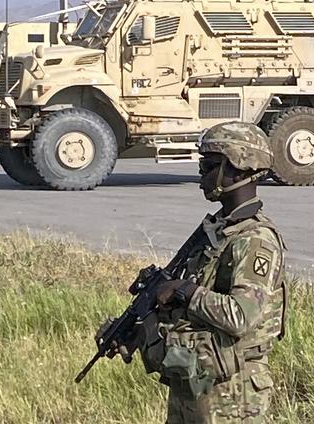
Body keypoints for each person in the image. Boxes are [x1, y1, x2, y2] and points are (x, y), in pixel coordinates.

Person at [112, 122, 287, 423]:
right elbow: (191, 317)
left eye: (209, 166)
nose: (201, 175)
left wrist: (184, 290)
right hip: (197, 379)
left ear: (239, 166)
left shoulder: (255, 239)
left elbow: (240, 317)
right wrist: (141, 332)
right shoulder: (218, 229)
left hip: (233, 393)